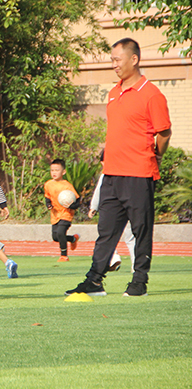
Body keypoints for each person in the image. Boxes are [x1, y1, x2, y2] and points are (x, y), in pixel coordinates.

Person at [67, 38, 171, 297]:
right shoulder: (114, 92)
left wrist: (154, 156)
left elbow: (164, 133)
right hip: (112, 173)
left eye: (117, 60)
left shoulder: (152, 94)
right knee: (107, 231)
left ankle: (139, 283)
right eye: (111, 60)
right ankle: (94, 281)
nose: (113, 65)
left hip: (139, 173)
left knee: (141, 229)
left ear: (133, 59)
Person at [88, 150, 136, 272]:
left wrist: (93, 206)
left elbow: (99, 190)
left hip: (114, 211)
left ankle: (113, 258)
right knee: (130, 238)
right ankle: (134, 265)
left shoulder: (107, 175)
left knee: (108, 235)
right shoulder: (130, 174)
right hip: (131, 208)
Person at [44, 159, 80, 261]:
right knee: (55, 237)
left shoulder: (67, 186)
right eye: (52, 170)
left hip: (66, 214)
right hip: (55, 214)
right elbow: (47, 197)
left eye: (57, 170)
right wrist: (49, 205)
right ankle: (73, 239)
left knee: (60, 233)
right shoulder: (48, 184)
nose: (54, 172)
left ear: (63, 172)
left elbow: (77, 200)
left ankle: (64, 255)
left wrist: (71, 206)